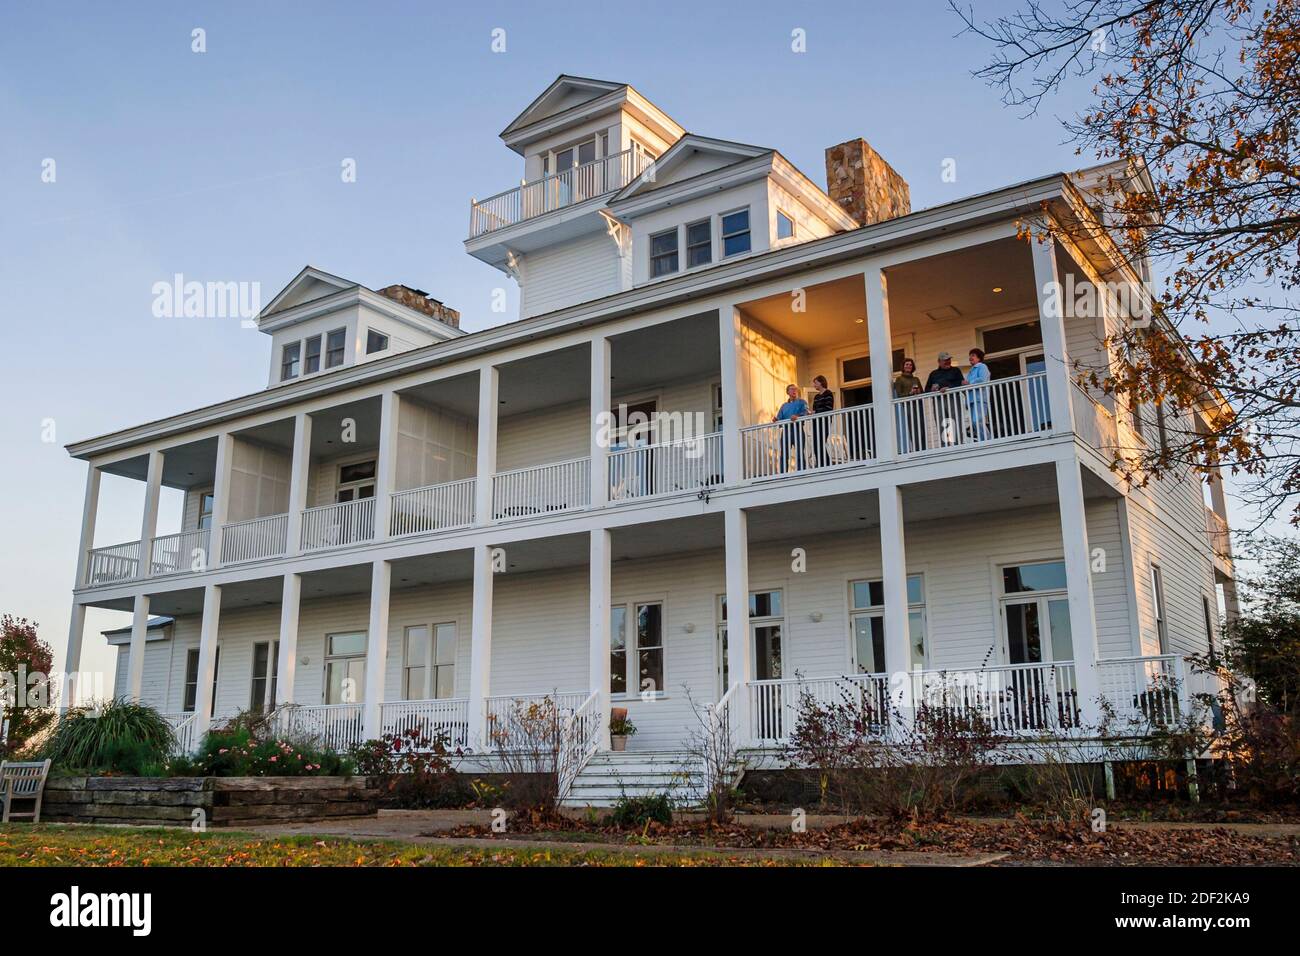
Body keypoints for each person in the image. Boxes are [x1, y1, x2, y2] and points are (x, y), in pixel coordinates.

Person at [925, 352, 965, 446]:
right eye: (945, 360)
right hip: (939, 401)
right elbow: (926, 389)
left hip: (953, 398)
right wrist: (932, 389)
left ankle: (957, 445)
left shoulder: (955, 370)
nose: (948, 361)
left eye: (949, 359)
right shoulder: (933, 374)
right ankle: (945, 446)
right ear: (939, 362)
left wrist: (948, 388)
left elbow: (961, 383)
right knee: (941, 422)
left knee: (955, 421)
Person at [772, 384, 810, 472]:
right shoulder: (784, 406)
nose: (794, 391)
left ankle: (801, 473)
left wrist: (797, 416)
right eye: (792, 389)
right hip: (786, 431)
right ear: (787, 392)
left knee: (800, 452)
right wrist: (776, 419)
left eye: (796, 389)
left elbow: (806, 412)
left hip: (798, 430)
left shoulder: (802, 402)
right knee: (784, 454)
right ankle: (783, 474)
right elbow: (779, 419)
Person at [893, 358, 924, 452]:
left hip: (918, 405)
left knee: (921, 427)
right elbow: (899, 395)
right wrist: (910, 393)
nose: (908, 366)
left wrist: (918, 391)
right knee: (913, 428)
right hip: (908, 406)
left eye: (910, 365)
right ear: (903, 366)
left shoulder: (916, 379)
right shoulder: (899, 379)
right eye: (906, 364)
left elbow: (922, 392)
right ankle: (916, 450)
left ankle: (923, 448)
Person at [966, 347, 991, 441]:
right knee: (974, 422)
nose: (970, 357)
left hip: (980, 398)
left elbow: (982, 380)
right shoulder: (971, 371)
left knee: (977, 421)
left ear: (979, 358)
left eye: (973, 355)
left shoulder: (982, 366)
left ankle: (987, 440)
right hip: (972, 400)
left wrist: (969, 383)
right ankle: (983, 440)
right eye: (970, 356)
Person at [810, 375, 834, 466]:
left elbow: (828, 408)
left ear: (821, 383)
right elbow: (814, 409)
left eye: (815, 383)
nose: (814, 385)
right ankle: (820, 464)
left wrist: (815, 412)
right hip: (816, 423)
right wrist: (812, 413)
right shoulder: (816, 397)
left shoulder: (828, 393)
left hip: (824, 422)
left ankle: (826, 464)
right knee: (816, 444)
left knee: (820, 443)